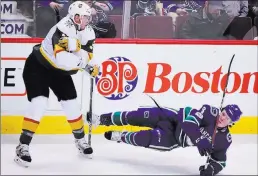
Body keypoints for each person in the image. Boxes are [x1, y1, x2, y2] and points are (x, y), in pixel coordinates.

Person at [14, 1, 99, 167]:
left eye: (88, 18)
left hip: (58, 72)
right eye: (83, 18)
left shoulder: (88, 31)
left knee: (72, 105)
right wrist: (85, 65)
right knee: (39, 103)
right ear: (75, 17)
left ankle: (80, 141)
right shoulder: (63, 27)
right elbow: (63, 60)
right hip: (38, 66)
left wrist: (88, 60)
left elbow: (88, 55)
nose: (86, 21)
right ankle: (22, 145)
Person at [90, 104, 242, 176]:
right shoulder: (210, 111)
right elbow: (188, 122)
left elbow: (220, 161)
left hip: (172, 139)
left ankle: (120, 136)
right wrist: (200, 139)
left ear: (232, 122)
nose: (222, 118)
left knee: (143, 138)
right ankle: (102, 119)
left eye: (227, 118)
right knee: (136, 115)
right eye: (223, 113)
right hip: (172, 118)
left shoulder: (224, 140)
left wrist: (210, 170)